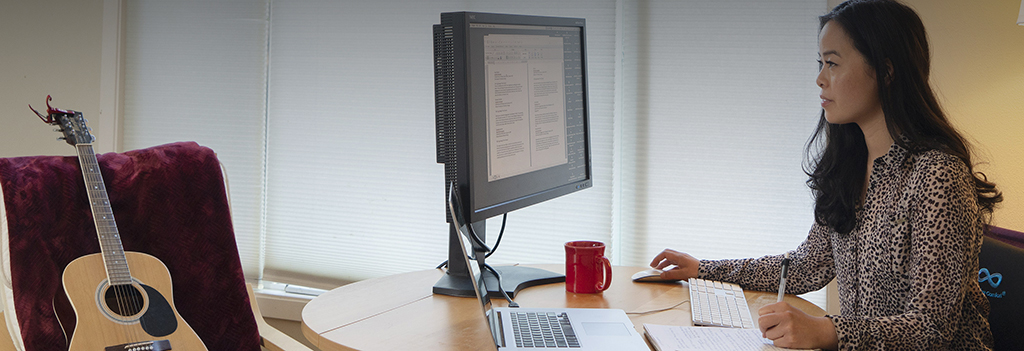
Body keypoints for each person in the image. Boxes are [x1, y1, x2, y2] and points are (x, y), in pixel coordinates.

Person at [649, 0, 1002, 349]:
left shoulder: (938, 176)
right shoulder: (850, 166)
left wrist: (825, 331)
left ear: (886, 71)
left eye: (832, 63)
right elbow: (806, 267)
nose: (819, 79)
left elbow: (931, 329)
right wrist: (703, 269)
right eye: (820, 63)